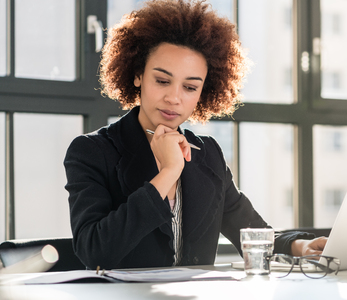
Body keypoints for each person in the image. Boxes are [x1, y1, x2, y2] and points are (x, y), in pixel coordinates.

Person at [64, 0, 327, 270]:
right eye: (162, 81)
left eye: (190, 87)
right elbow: (94, 250)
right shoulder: (92, 151)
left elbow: (250, 230)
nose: (174, 98)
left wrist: (300, 246)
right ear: (137, 75)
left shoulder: (208, 154)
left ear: (204, 92)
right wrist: (168, 172)